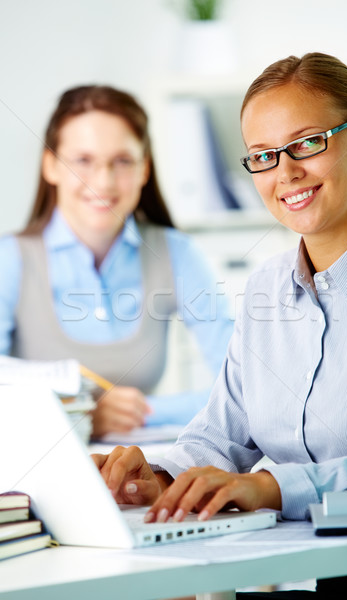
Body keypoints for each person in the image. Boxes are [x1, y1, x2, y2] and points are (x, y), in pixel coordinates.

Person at [92, 52, 347, 595]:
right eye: (262, 156)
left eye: (308, 143)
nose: (286, 173)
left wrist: (268, 487)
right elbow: (219, 436)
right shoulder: (265, 288)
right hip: (283, 577)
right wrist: (157, 477)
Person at [0, 85, 233, 438]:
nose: (103, 181)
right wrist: (82, 414)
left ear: (144, 170)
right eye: (83, 161)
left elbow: (241, 383)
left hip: (143, 466)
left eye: (122, 161)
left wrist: (138, 412)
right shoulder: (10, 260)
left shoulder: (177, 253)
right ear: (52, 166)